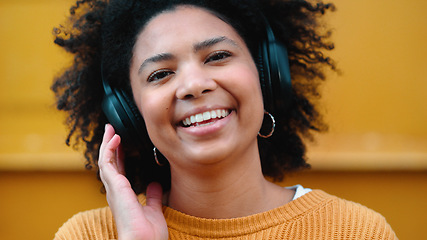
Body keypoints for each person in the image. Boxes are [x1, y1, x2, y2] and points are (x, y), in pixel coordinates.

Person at [51, 0, 398, 239]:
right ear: (128, 113)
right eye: (159, 74)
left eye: (218, 56)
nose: (193, 85)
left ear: (268, 76)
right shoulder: (88, 235)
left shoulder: (355, 231)